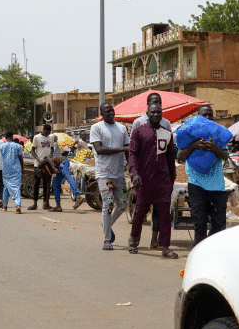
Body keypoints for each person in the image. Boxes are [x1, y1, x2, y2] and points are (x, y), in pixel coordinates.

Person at [128, 104, 178, 258]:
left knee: (164, 215)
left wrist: (171, 179)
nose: (156, 114)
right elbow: (132, 155)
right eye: (153, 112)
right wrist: (134, 174)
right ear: (147, 113)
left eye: (159, 112)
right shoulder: (138, 131)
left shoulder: (167, 134)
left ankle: (165, 247)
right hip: (143, 181)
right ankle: (133, 241)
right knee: (140, 213)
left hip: (162, 182)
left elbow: (170, 159)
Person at [177, 106, 229, 246]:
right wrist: (193, 146)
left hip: (217, 185)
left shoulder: (218, 134)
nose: (207, 118)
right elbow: (179, 156)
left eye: (210, 115)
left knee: (219, 224)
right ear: (198, 118)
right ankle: (199, 252)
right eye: (204, 115)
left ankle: (209, 249)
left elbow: (225, 155)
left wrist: (214, 148)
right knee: (199, 222)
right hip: (197, 184)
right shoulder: (190, 133)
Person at [90, 103, 130, 250]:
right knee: (108, 204)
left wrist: (131, 167)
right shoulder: (97, 128)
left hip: (119, 173)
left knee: (123, 204)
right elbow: (99, 149)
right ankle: (107, 239)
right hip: (104, 173)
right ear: (102, 113)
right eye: (107, 111)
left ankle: (105, 223)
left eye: (112, 110)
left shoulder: (121, 128)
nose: (110, 113)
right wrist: (122, 149)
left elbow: (128, 150)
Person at [29, 125, 55, 210]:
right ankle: (35, 203)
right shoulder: (36, 137)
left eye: (49, 133)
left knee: (47, 184)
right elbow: (32, 150)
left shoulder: (51, 137)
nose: (47, 134)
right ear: (43, 130)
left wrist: (51, 155)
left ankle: (46, 203)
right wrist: (38, 160)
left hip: (48, 165)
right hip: (38, 165)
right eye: (46, 132)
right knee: (36, 183)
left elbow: (52, 148)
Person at [0, 131, 24, 214]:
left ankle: (4, 206)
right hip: (16, 169)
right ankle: (18, 205)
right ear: (12, 137)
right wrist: (22, 168)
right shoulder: (17, 146)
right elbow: (21, 158)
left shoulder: (2, 146)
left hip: (6, 169)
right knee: (16, 187)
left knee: (6, 187)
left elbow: (2, 156)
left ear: (5, 137)